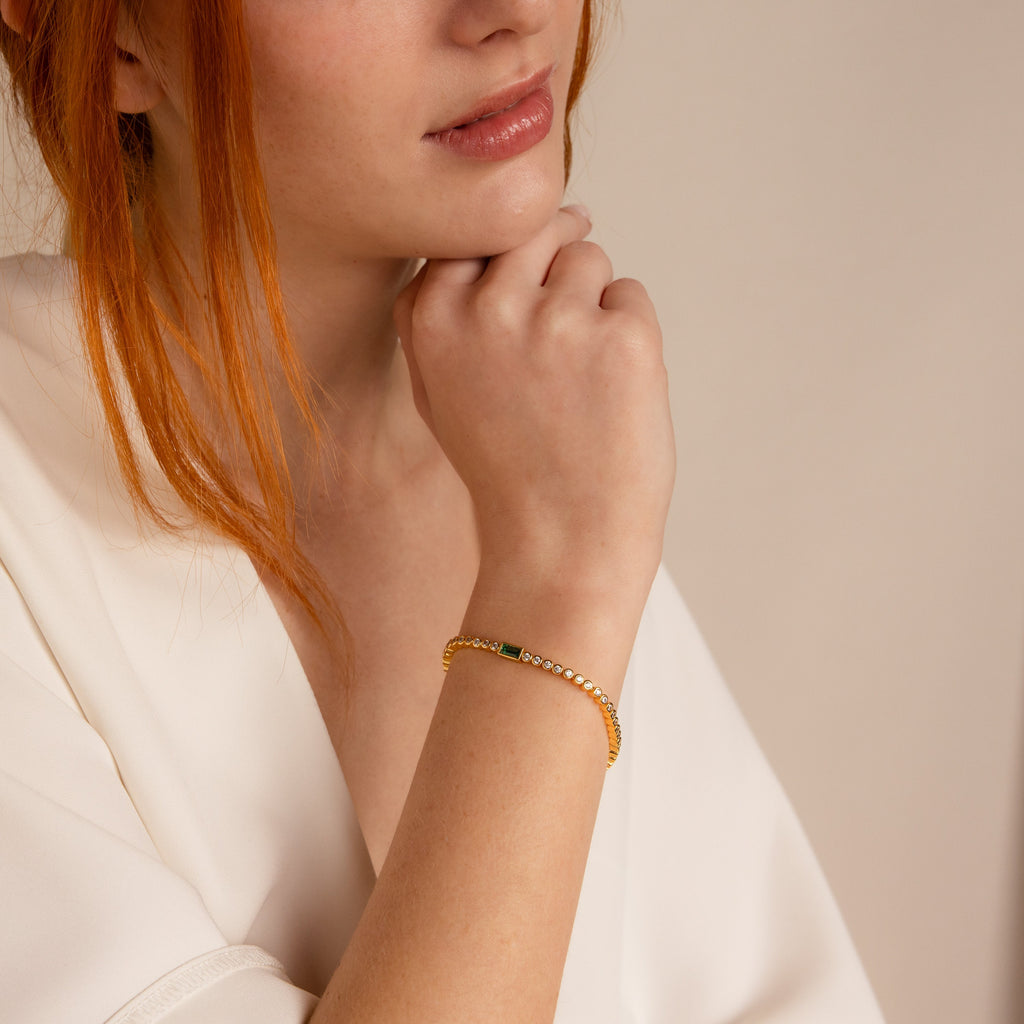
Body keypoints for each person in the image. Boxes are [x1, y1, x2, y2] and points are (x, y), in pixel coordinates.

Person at [0, 1, 885, 1022]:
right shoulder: (555, 525)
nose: (509, 11)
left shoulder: (526, 456)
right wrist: (556, 585)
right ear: (110, 34)